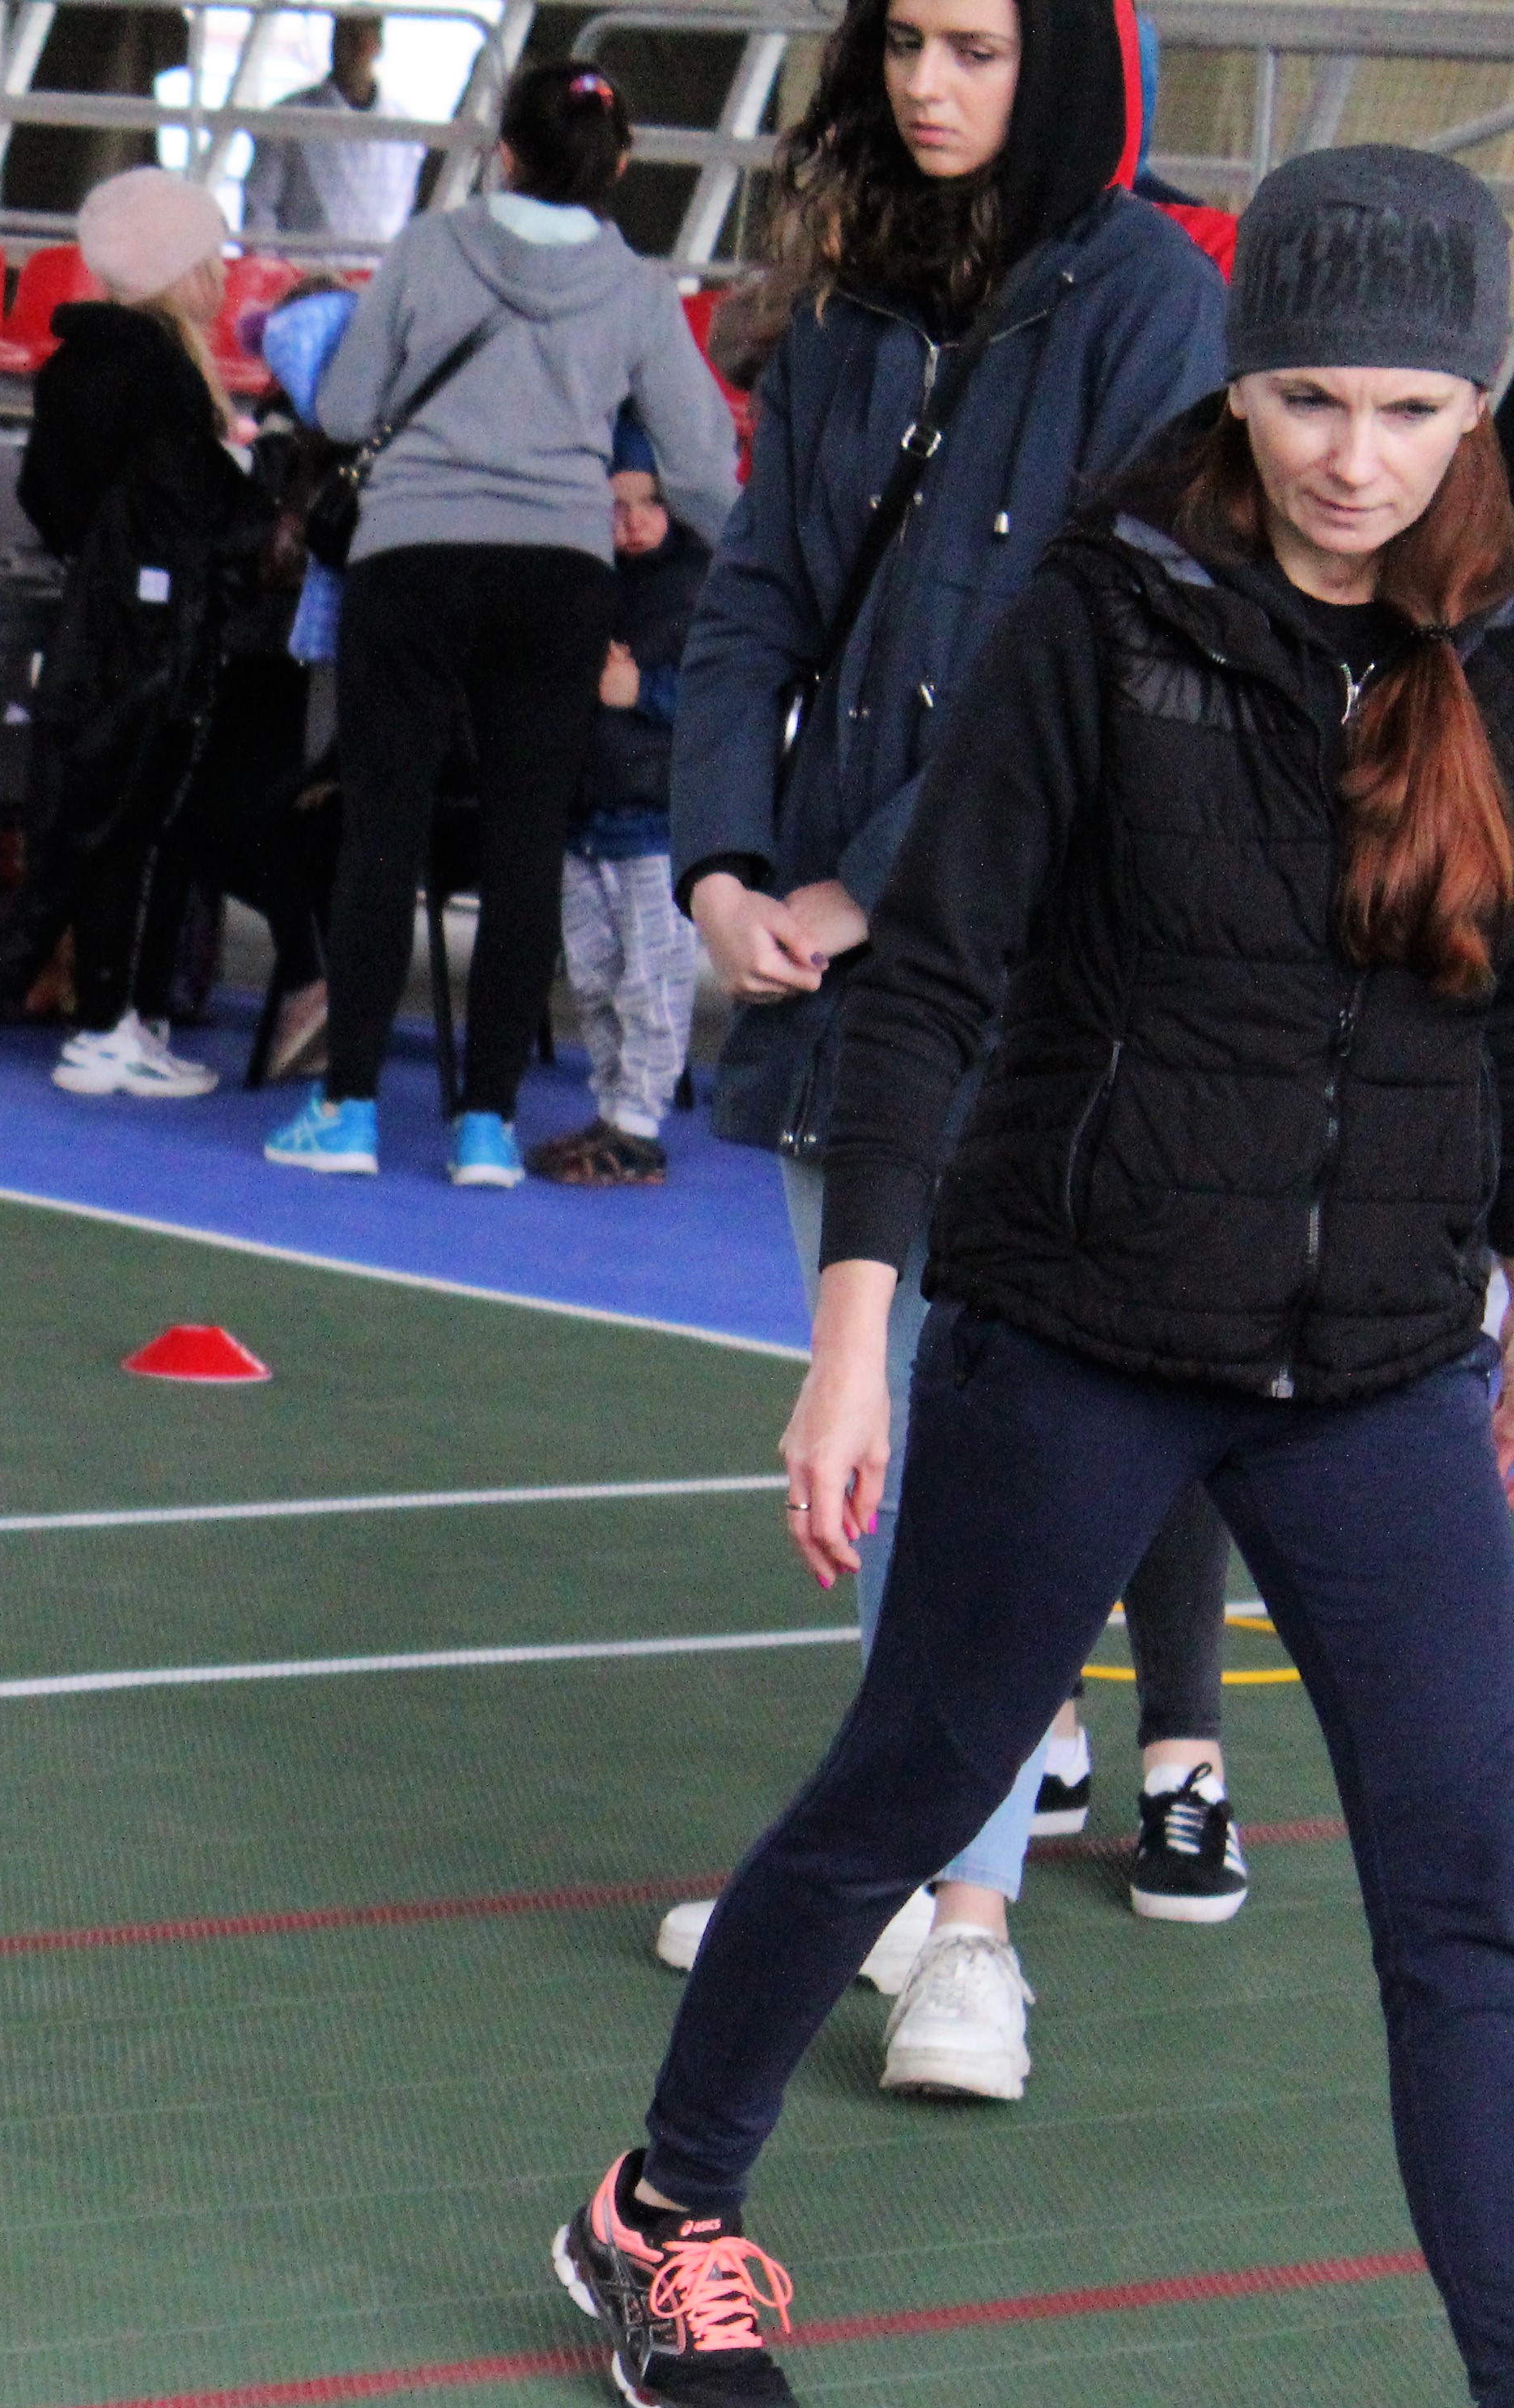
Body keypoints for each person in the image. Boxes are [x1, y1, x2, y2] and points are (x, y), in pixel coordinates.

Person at [554, 162, 1514, 2408]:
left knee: (1473, 1896)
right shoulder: (1108, 608)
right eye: (1309, 399)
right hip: (1075, 1326)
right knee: (905, 1787)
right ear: (1242, 383)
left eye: (1411, 410)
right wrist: (848, 1341)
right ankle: (663, 2204)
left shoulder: (1503, 646)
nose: (1354, 458)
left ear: (1480, 403)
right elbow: (934, 981)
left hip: (1381, 1366)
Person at [653, 0, 1231, 2092]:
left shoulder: (1150, 304)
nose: (926, 83)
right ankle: (897, 1867)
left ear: (1054, 63)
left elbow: (1112, 646)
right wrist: (721, 861)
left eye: (976, 47)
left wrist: (864, 882)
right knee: (873, 1443)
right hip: (841, 977)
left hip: (1056, 970)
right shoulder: (848, 300)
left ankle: (969, 1929)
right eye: (905, 40)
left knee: (988, 1452)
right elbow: (756, 599)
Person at [269, 60, 735, 1186]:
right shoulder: (638, 287)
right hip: (558, 576)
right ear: (621, 164)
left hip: (413, 558)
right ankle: (486, 1124)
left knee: (384, 830)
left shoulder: (429, 249)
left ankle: (348, 1107)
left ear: (503, 152)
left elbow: (344, 407)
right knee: (528, 845)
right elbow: (699, 457)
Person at [2, 168, 283, 1103]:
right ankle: (107, 1023)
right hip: (156, 636)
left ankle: (109, 1017)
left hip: (96, 623)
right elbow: (198, 510)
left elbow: (47, 496)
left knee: (102, 824)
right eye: (210, 257)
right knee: (133, 830)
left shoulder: (73, 361)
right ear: (176, 269)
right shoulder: (167, 373)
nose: (224, 276)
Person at [529, 420, 713, 1182]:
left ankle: (638, 1121)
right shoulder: (581, 578)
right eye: (615, 506)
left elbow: (724, 701)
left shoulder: (701, 584)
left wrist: (642, 691)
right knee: (596, 977)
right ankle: (613, 1110)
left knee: (652, 983)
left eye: (649, 503)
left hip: (655, 820)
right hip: (586, 814)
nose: (633, 522)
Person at [243, 13, 419, 247]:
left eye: (364, 40)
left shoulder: (403, 127)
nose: (356, 50)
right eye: (348, 38)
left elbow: (406, 210)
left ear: (378, 46)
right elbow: (260, 205)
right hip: (305, 265)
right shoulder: (290, 116)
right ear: (334, 42)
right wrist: (270, 266)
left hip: (379, 265)